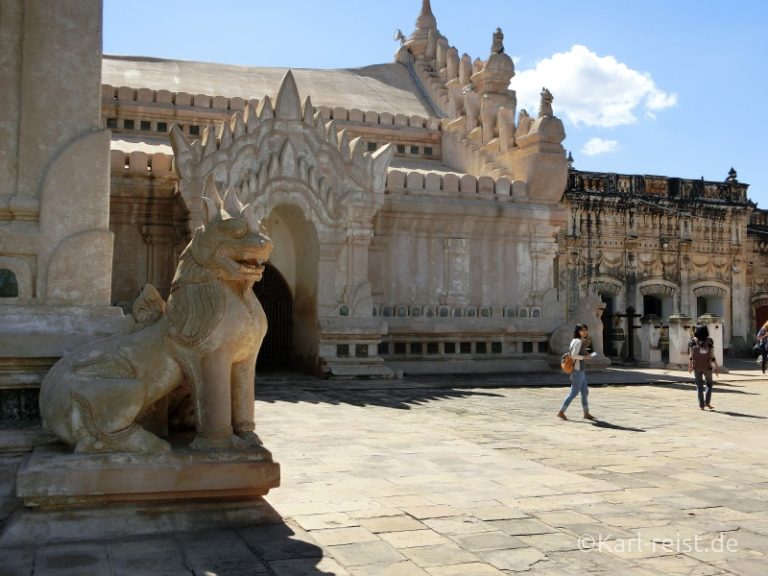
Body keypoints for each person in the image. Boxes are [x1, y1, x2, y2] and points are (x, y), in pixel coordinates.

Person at [557, 323, 596, 421]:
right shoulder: (578, 341)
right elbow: (574, 355)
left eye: (586, 330)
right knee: (573, 393)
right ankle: (561, 412)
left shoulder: (574, 340)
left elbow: (574, 353)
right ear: (578, 331)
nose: (585, 332)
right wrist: (585, 357)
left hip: (580, 371)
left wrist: (585, 354)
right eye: (582, 330)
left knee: (585, 392)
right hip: (577, 371)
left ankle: (586, 412)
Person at [688, 325, 719, 410]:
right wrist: (716, 366)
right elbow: (712, 355)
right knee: (709, 384)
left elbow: (691, 355)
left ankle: (701, 405)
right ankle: (707, 403)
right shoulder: (709, 341)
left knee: (699, 386)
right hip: (707, 366)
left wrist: (690, 365)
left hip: (696, 365)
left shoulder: (692, 341)